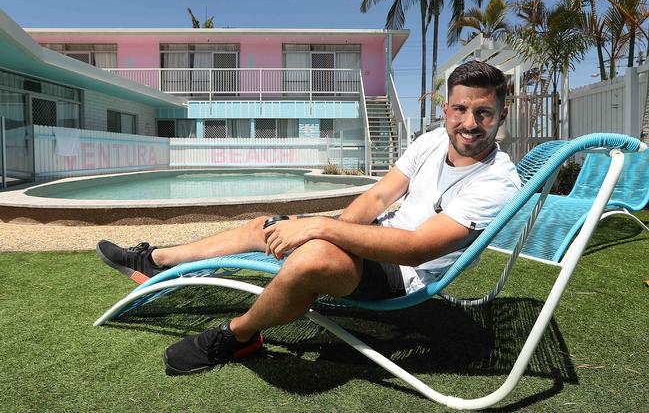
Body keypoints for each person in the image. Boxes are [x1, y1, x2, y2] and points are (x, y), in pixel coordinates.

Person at [96, 60, 521, 376]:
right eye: (461, 110)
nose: (470, 123)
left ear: (500, 115)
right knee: (267, 226)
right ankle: (156, 262)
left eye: (483, 113)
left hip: (407, 275)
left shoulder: (497, 182)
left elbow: (416, 250)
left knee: (312, 257)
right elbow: (378, 195)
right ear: (446, 109)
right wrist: (336, 226)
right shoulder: (431, 141)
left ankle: (238, 336)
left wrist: (320, 229)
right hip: (375, 240)